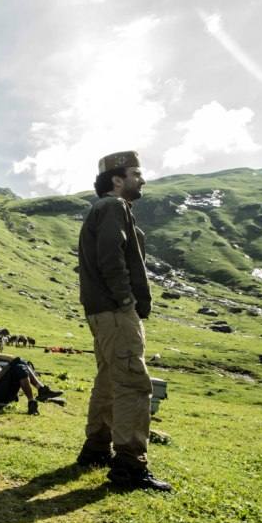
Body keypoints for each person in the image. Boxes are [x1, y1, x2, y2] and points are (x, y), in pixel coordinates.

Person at [76, 150, 171, 492]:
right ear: (118, 179)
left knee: (109, 378)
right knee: (133, 381)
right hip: (116, 312)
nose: (142, 179)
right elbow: (110, 257)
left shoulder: (103, 210)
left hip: (101, 311)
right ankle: (130, 465)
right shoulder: (113, 207)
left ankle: (96, 449)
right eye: (136, 173)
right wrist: (126, 299)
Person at [0, 343, 62, 415]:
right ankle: (41, 391)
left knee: (21, 365)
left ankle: (34, 399)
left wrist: (4, 371)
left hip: (6, 393)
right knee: (18, 362)